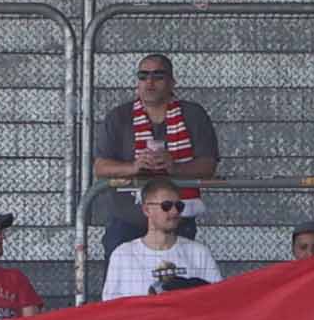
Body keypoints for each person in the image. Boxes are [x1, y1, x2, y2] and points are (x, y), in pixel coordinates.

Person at [91, 52, 224, 254]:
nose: (149, 82)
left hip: (176, 218)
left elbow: (208, 165)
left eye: (158, 76)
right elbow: (100, 167)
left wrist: (174, 167)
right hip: (127, 220)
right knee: (125, 283)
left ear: (172, 82)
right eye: (143, 76)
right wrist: (134, 167)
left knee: (176, 282)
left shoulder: (193, 114)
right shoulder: (119, 116)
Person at [101, 184, 223, 300]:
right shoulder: (122, 254)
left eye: (179, 206)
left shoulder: (199, 253)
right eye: (166, 206)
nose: (175, 212)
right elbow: (110, 307)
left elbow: (217, 298)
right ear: (147, 210)